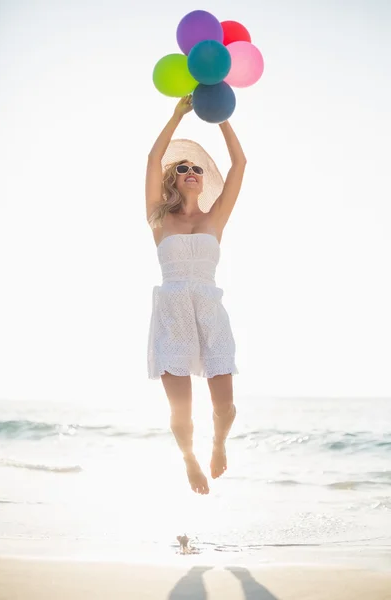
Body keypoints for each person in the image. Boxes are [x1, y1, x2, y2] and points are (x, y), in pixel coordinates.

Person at [146, 95, 247, 495]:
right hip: (172, 312)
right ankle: (189, 459)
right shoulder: (159, 218)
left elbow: (240, 165)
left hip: (209, 310)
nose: (191, 171)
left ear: (203, 180)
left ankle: (218, 443)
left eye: (197, 168)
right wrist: (176, 115)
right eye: (184, 167)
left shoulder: (215, 217)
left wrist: (220, 117)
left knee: (224, 407)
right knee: (181, 410)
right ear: (175, 178)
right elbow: (153, 162)